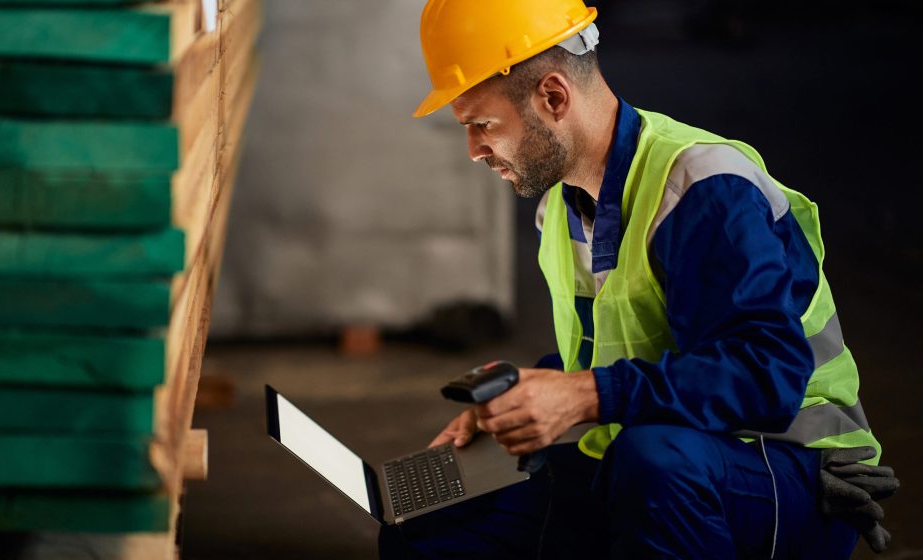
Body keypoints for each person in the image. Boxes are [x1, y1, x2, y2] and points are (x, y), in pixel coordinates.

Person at [380, 0, 898, 558]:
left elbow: (765, 376)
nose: (475, 150)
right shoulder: (558, 209)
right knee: (429, 521)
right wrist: (525, 400)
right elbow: (610, 353)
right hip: (659, 459)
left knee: (651, 463)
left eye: (482, 125)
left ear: (552, 97)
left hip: (784, 469)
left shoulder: (703, 189)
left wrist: (583, 396)